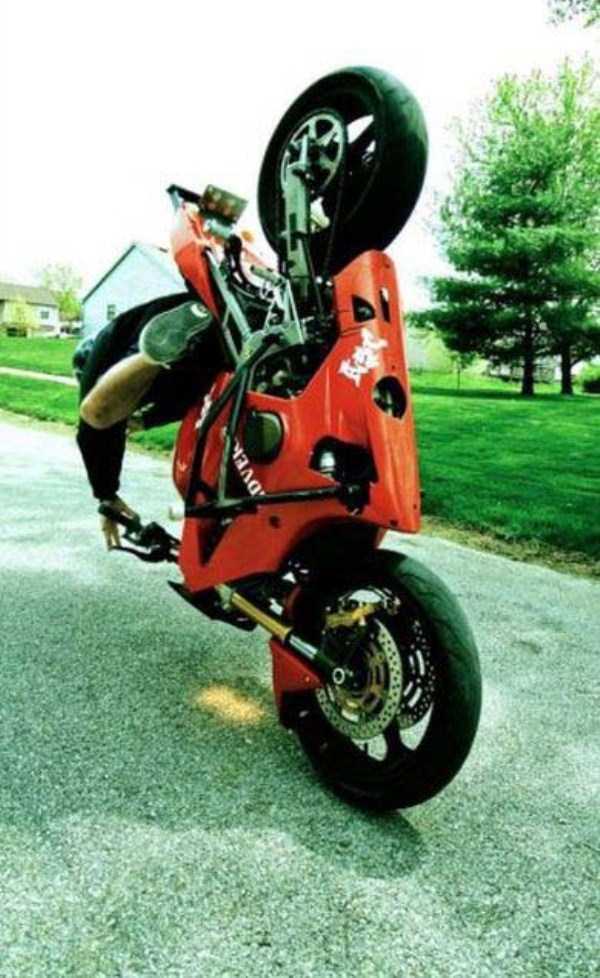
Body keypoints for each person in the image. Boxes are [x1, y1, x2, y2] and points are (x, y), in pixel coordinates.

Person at [75, 293, 223, 549]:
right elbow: (182, 403)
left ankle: (155, 353)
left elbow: (93, 430)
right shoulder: (166, 392)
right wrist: (145, 421)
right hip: (218, 347)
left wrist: (106, 495)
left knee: (96, 413)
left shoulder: (105, 348)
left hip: (180, 332)